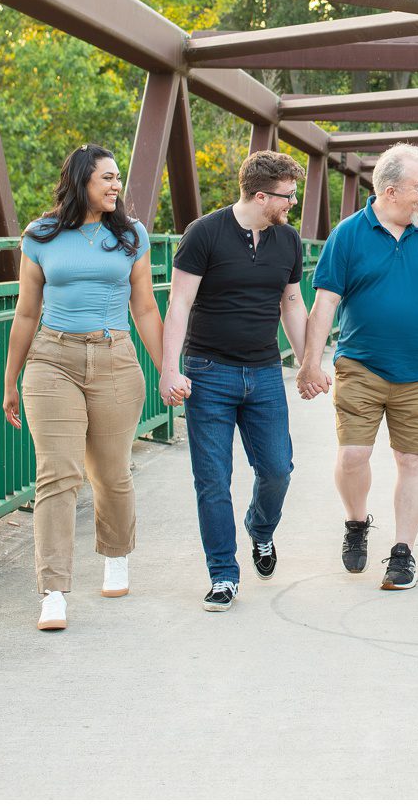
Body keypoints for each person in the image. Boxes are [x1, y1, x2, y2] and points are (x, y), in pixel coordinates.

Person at [0, 144, 163, 632]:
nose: (116, 186)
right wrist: (10, 378)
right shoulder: (41, 235)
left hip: (115, 357)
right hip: (52, 360)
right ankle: (53, 590)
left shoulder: (132, 236)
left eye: (119, 178)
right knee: (57, 474)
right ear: (80, 181)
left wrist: (168, 369)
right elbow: (26, 311)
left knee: (111, 473)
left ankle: (116, 555)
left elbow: (147, 309)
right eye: (107, 178)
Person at [296, 143, 418, 592]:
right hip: (361, 364)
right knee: (354, 454)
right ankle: (355, 522)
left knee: (412, 458)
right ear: (390, 191)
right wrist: (310, 363)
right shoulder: (349, 235)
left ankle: (403, 553)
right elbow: (325, 301)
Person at [157, 150, 309, 613]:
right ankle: (223, 574)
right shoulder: (204, 233)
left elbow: (292, 303)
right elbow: (179, 304)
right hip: (208, 373)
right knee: (212, 480)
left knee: (278, 469)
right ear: (261, 195)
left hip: (264, 373)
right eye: (287, 195)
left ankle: (260, 531)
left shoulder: (288, 241)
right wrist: (169, 368)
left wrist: (307, 363)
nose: (294, 203)